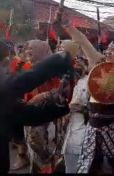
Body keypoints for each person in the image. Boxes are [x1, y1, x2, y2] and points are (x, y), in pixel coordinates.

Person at [55, 14, 114, 174]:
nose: (109, 52)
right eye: (108, 49)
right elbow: (82, 41)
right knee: (89, 166)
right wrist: (67, 24)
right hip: (93, 125)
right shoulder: (98, 63)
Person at [0, 40, 74, 174]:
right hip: (34, 119)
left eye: (32, 48)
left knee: (50, 156)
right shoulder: (21, 70)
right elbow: (16, 88)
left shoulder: (63, 73)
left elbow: (23, 111)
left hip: (48, 122)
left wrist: (61, 101)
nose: (28, 52)